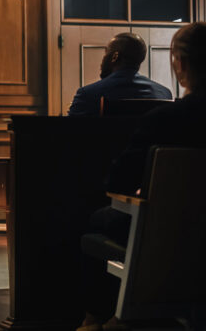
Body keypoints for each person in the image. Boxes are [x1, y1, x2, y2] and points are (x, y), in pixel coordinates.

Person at [78, 22, 206, 331]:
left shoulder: (165, 120)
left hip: (168, 233)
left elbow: (117, 184)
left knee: (99, 219)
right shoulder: (161, 98)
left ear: (181, 63)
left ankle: (97, 318)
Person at [68, 32, 172, 116]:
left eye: (106, 53)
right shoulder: (164, 94)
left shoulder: (87, 95)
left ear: (115, 57)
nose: (103, 59)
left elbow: (71, 136)